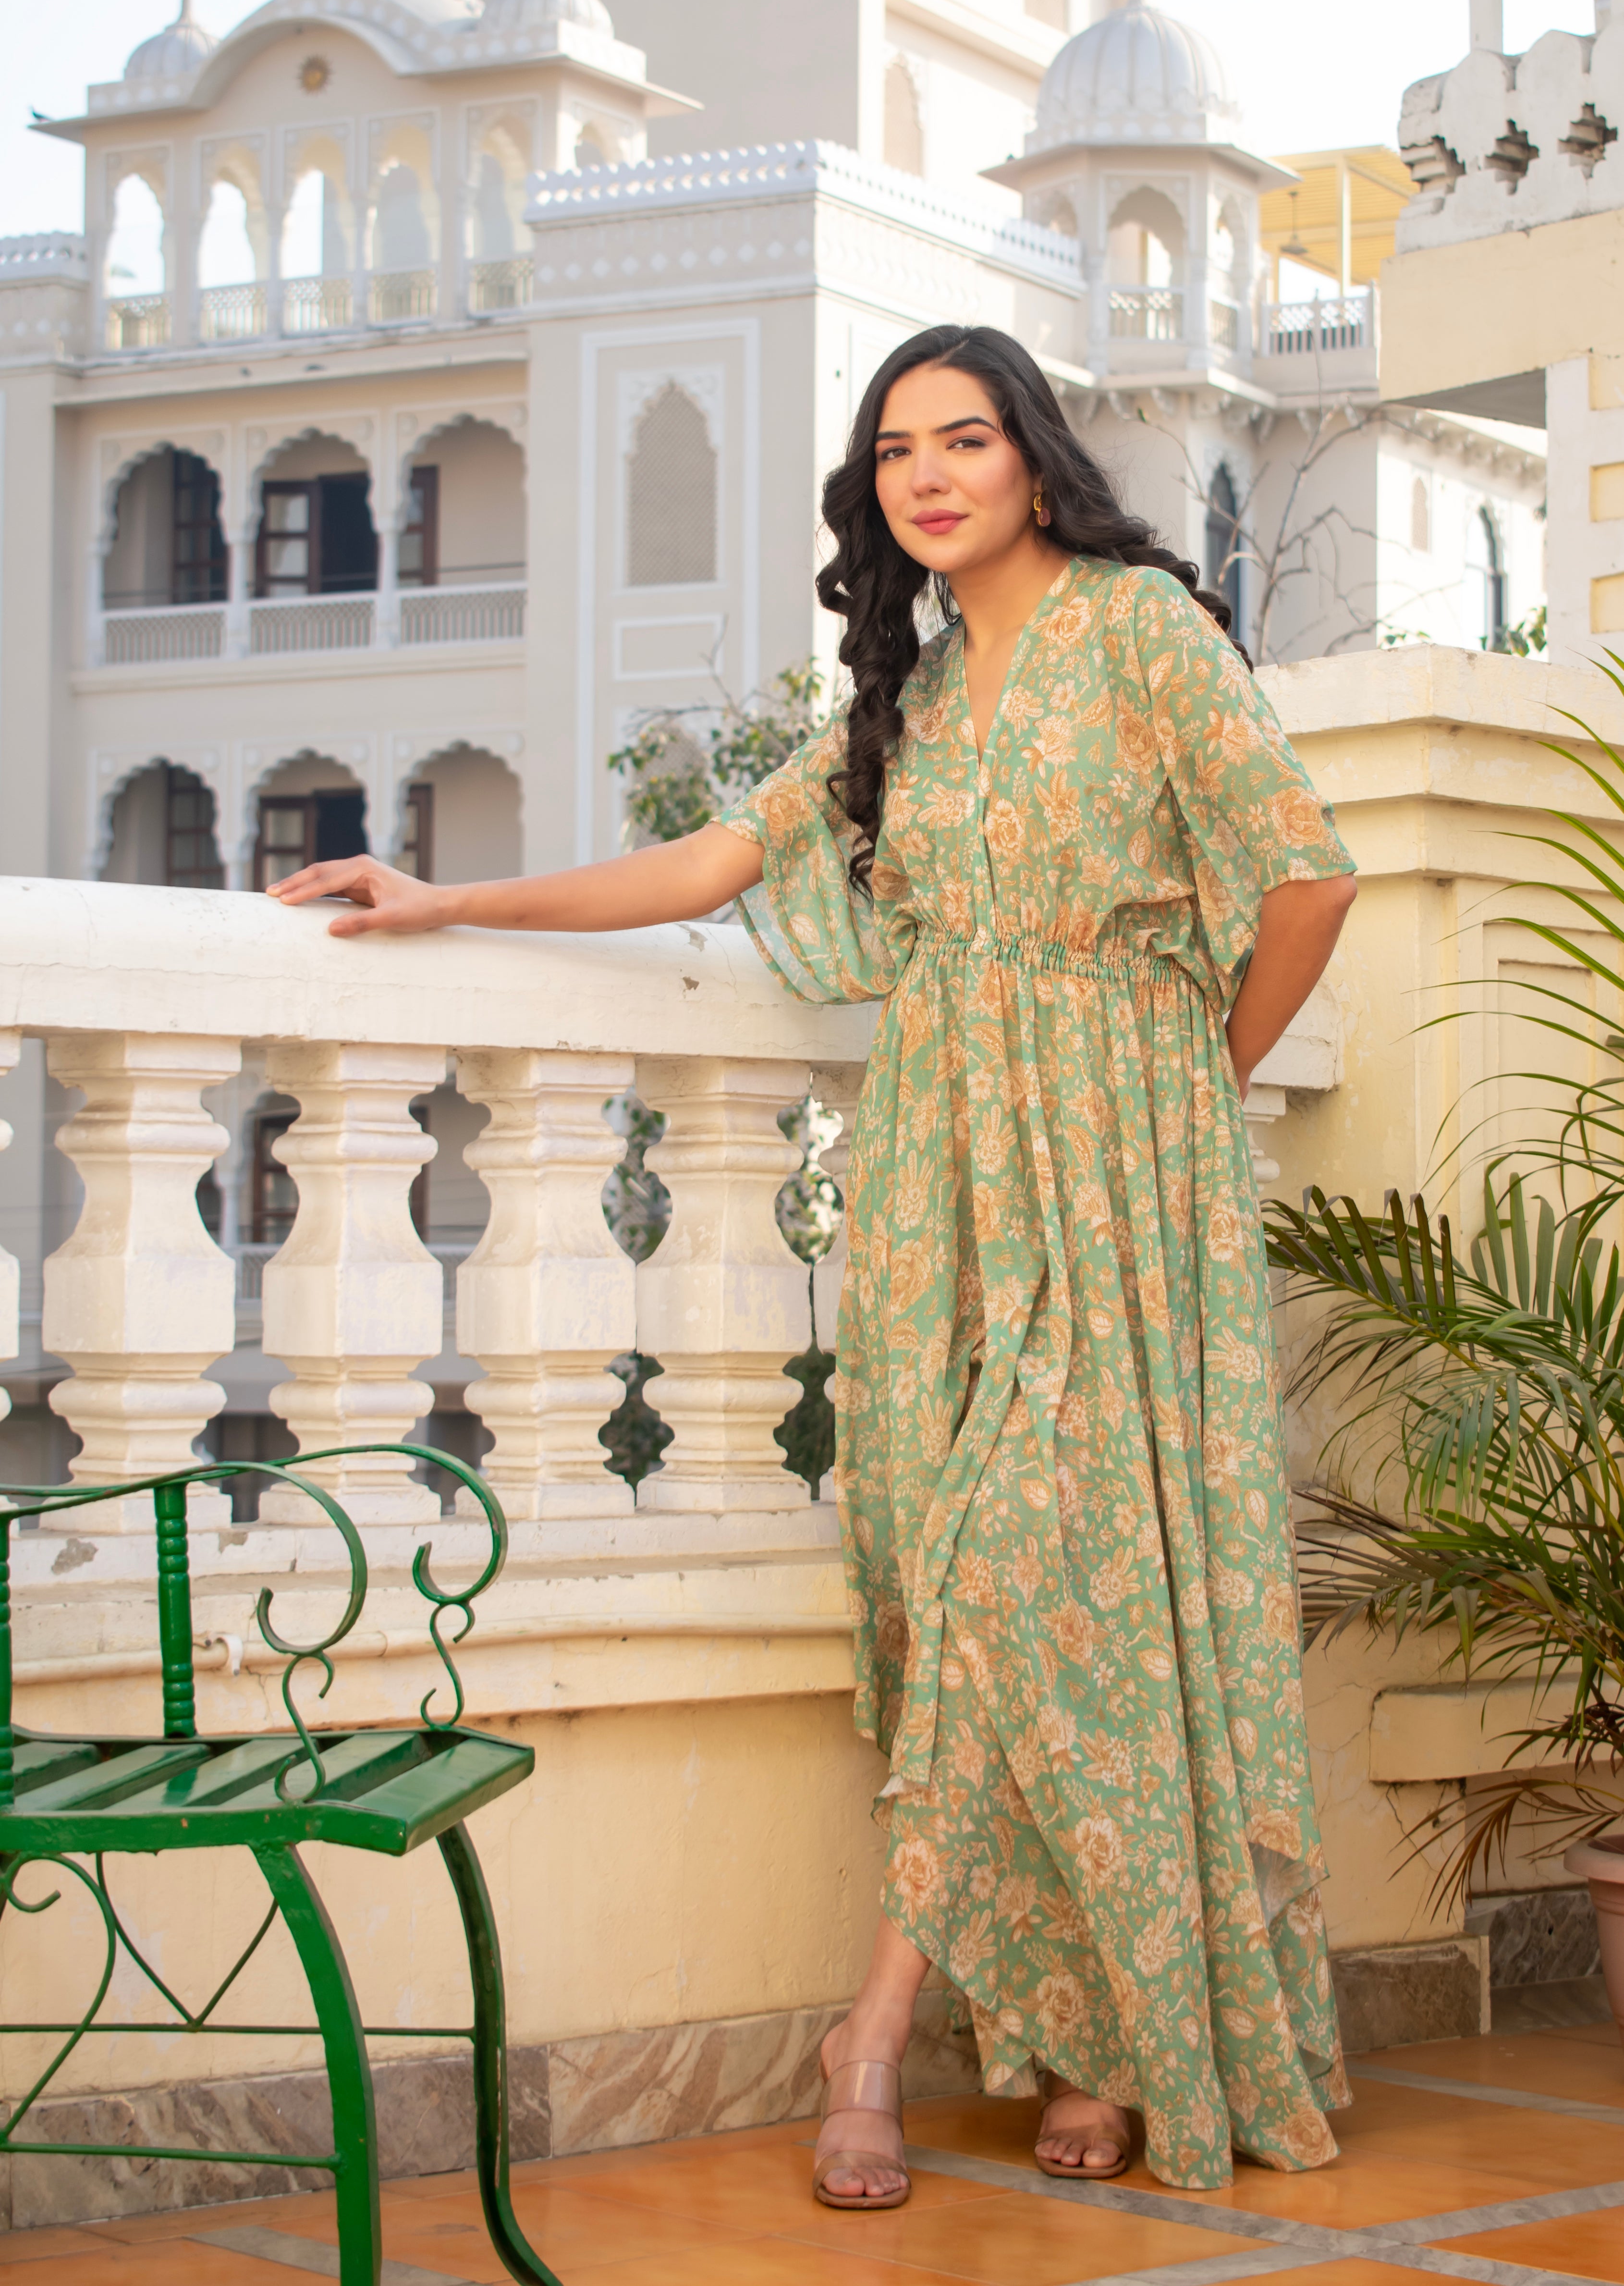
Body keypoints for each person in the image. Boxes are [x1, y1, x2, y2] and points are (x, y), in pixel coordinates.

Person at [269, 322, 1357, 2209]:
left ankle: (870, 2031)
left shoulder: (1146, 636)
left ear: (1034, 456)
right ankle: (1090, 2038)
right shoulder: (909, 705)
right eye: (898, 449)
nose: (931, 473)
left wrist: (1190, 1092)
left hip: (1123, 1183)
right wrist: (445, 893)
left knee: (1044, 1565)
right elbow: (704, 864)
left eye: (968, 437)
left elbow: (1307, 876)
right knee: (975, 1584)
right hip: (942, 1181)